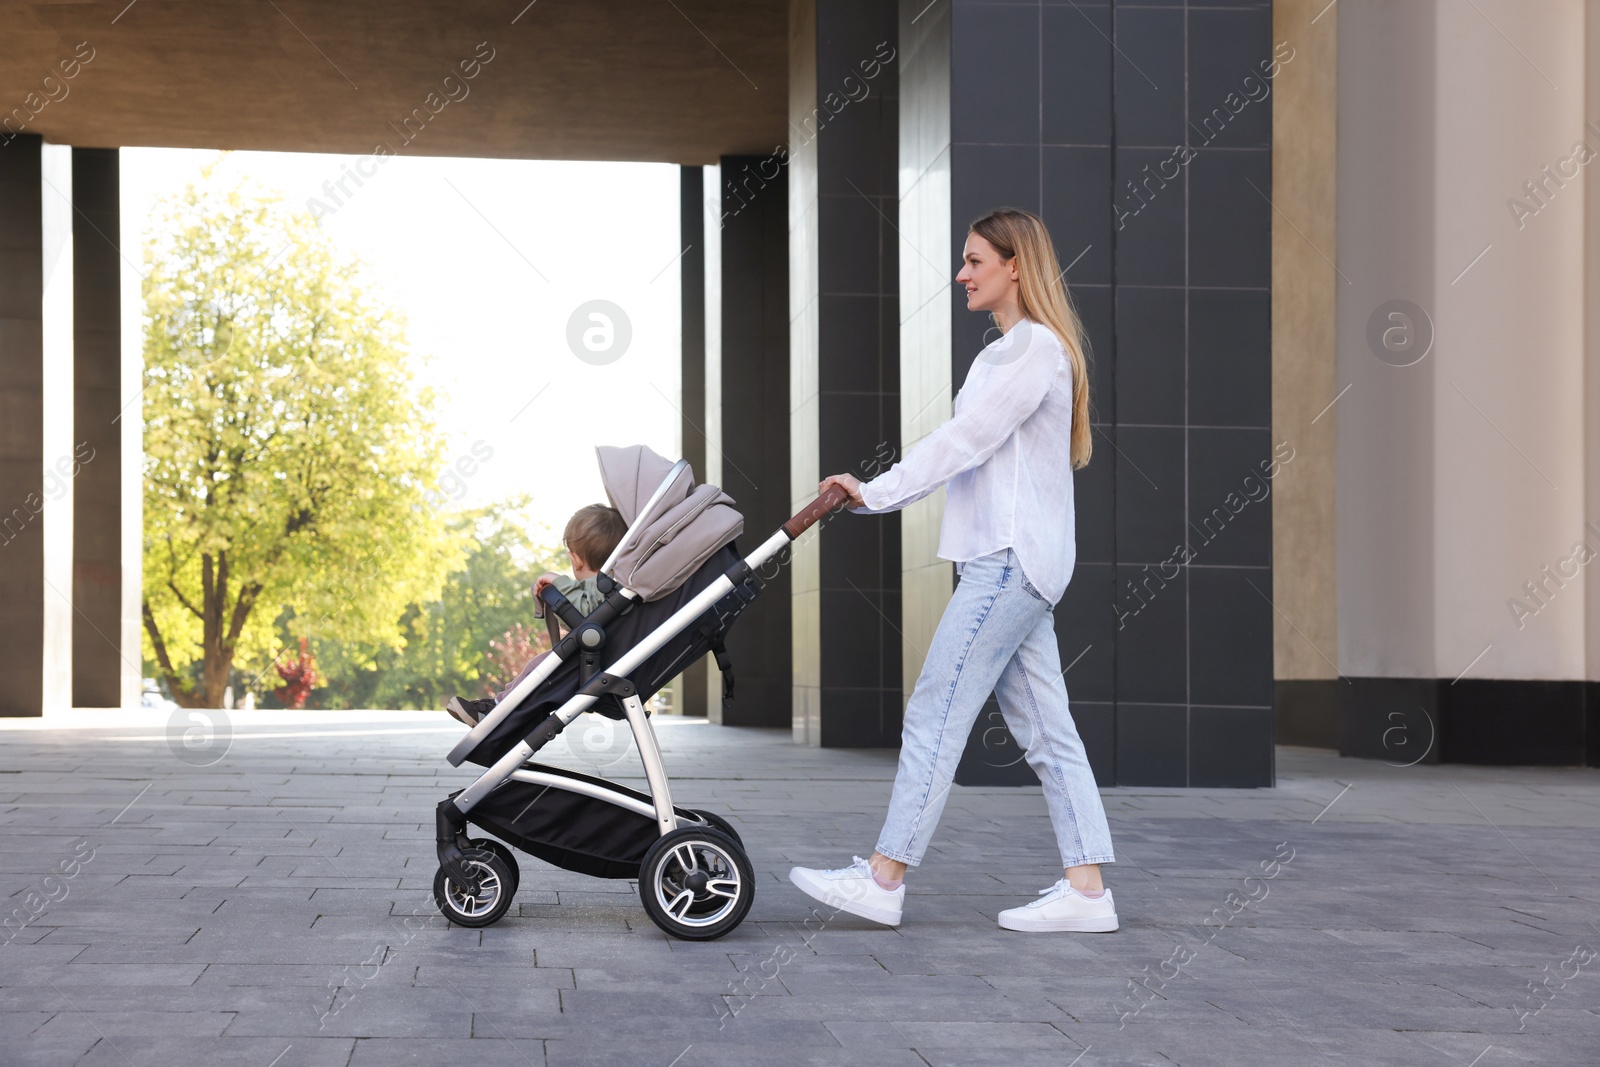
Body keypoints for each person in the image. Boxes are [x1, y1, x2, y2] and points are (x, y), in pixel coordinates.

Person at [788, 208, 1118, 934]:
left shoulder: (1033, 350)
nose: (962, 273)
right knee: (1048, 730)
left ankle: (884, 876)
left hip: (1008, 564)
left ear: (1016, 267)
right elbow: (971, 445)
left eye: (975, 261)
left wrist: (875, 491)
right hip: (1010, 565)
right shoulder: (1003, 354)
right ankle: (1088, 891)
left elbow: (963, 442)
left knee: (936, 710)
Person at [445, 503, 628, 725]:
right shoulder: (614, 585)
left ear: (575, 559)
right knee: (537, 667)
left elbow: (586, 616)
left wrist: (559, 582)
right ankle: (498, 705)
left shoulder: (602, 586)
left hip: (597, 666)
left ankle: (496, 712)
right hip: (601, 660)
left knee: (539, 667)